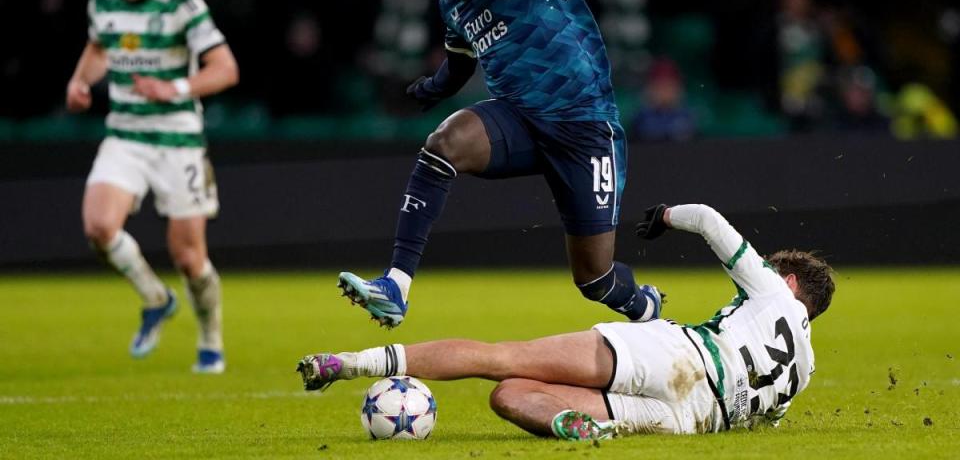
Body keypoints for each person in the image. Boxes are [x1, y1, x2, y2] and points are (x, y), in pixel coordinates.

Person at [337, 0, 661, 328]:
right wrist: (431, 88)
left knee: (594, 278)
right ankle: (396, 285)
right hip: (520, 121)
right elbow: (460, 62)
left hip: (584, 128)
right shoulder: (452, 1)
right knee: (444, 144)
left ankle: (646, 308)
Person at [300, 203, 834, 440]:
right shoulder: (804, 371)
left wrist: (666, 216)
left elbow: (710, 221)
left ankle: (348, 363)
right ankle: (568, 425)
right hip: (689, 420)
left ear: (789, 283)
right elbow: (761, 423)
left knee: (501, 359)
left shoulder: (772, 290)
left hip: (680, 357)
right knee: (508, 395)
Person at [66, 0, 239, 373]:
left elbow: (226, 69)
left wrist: (175, 88)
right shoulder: (103, 4)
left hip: (178, 141)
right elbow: (99, 48)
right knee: (99, 227)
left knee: (188, 257)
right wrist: (79, 83)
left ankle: (210, 337)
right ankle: (155, 299)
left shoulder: (183, 5)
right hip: (125, 135)